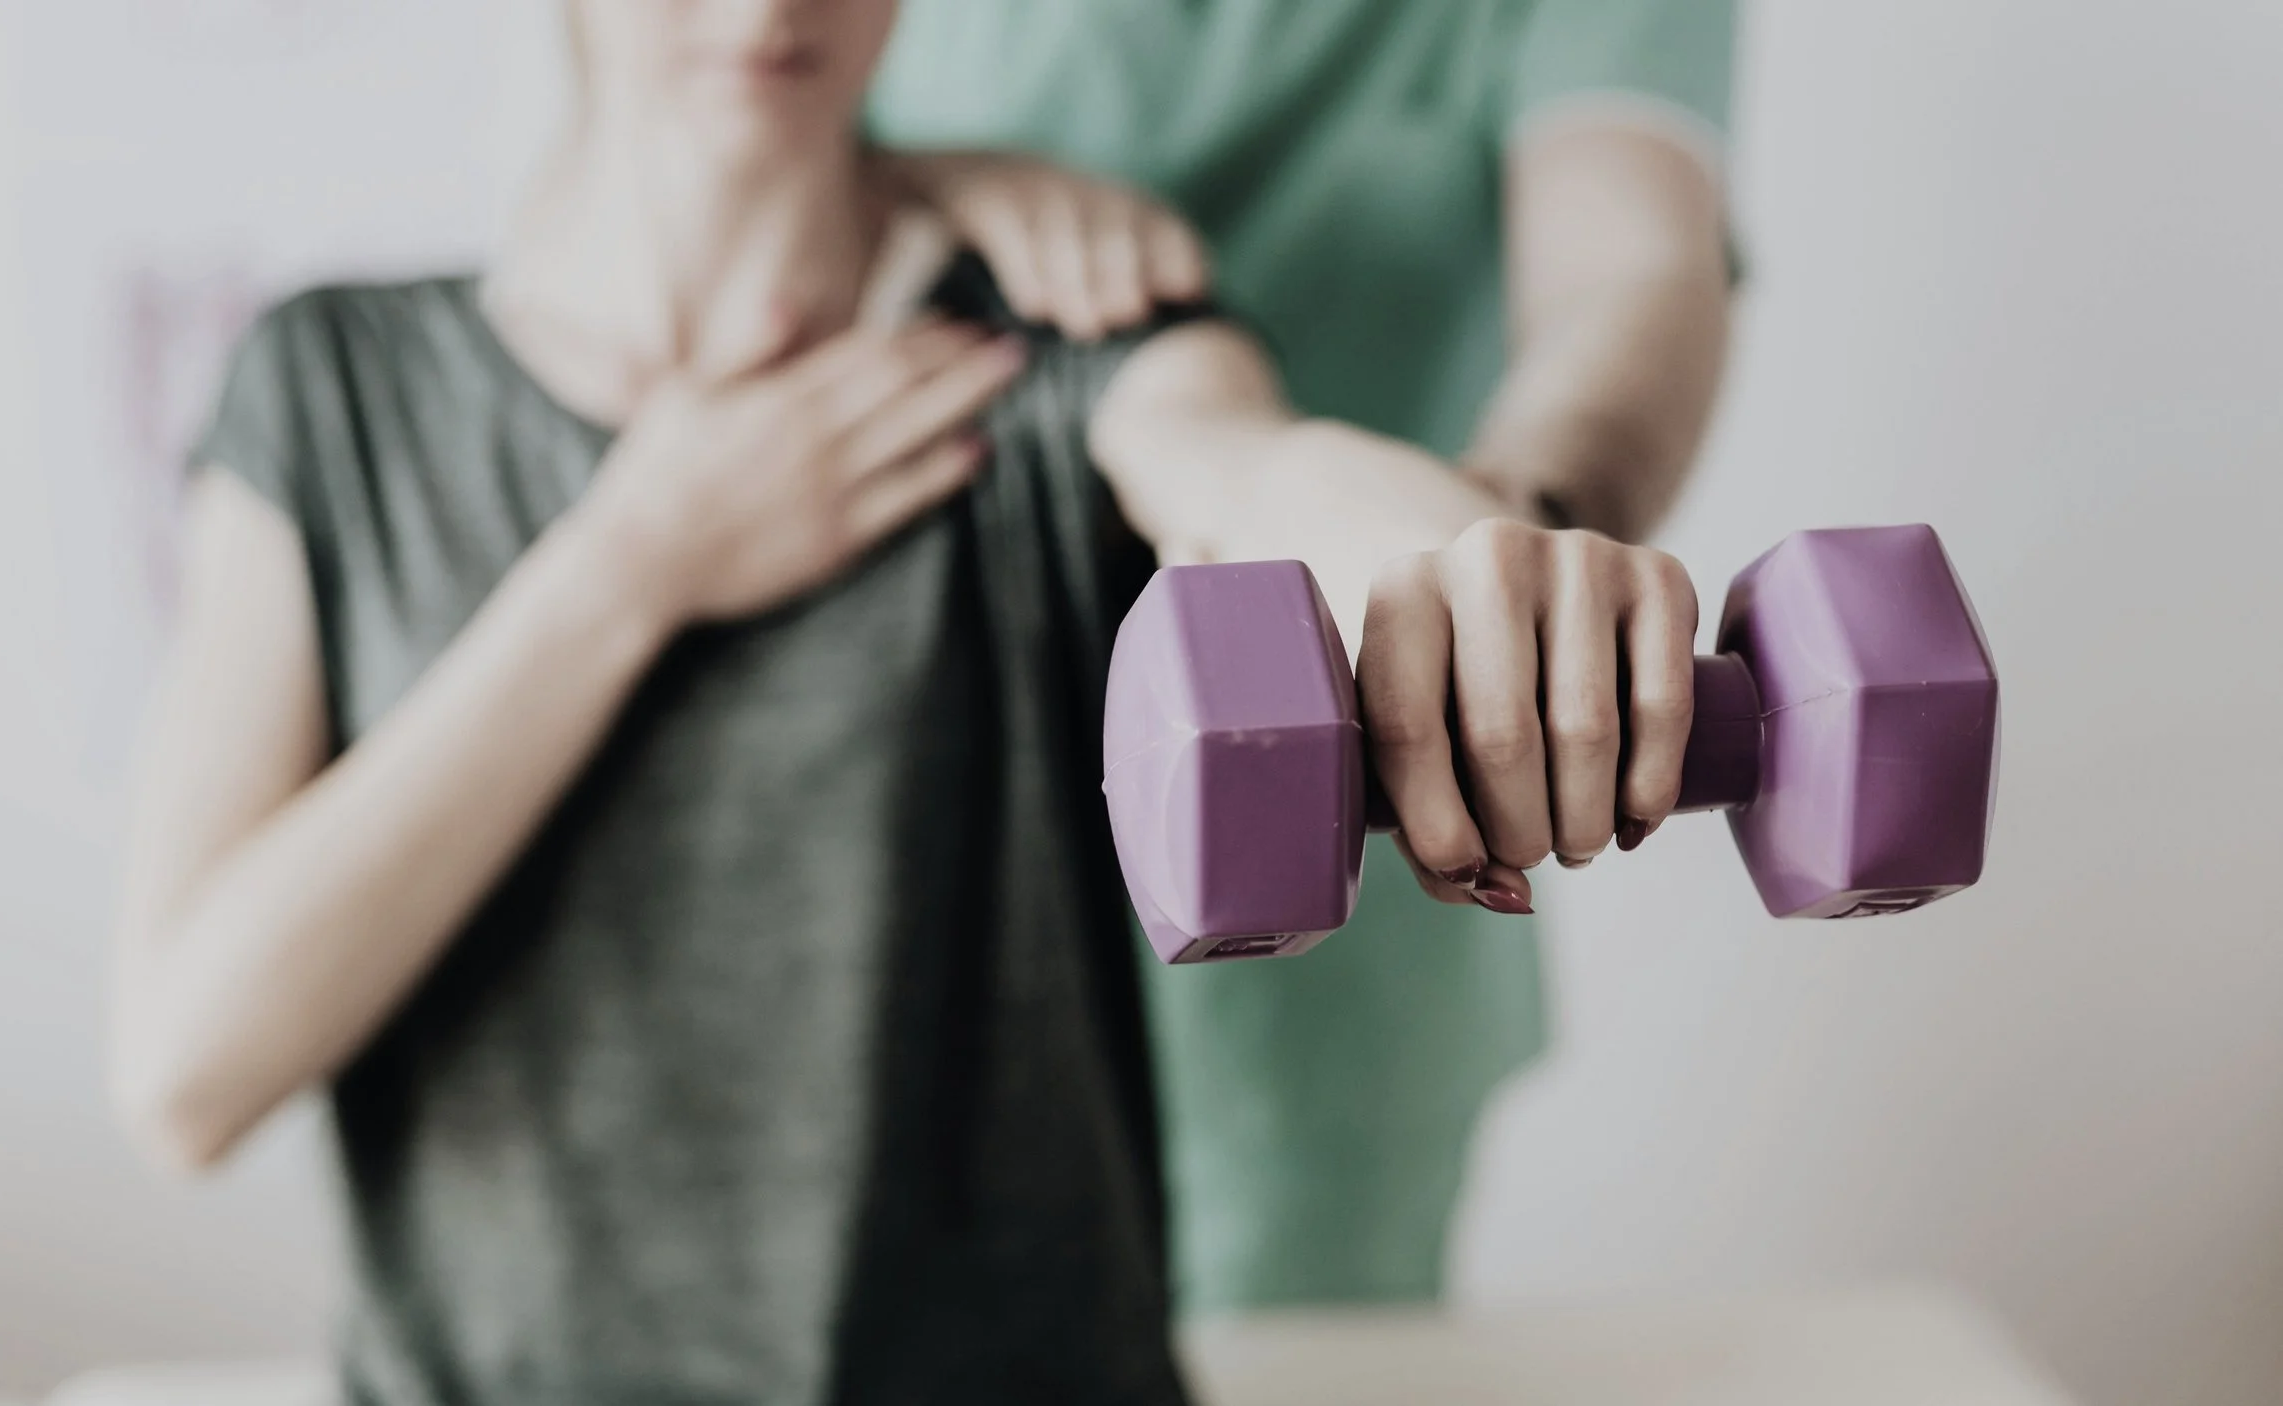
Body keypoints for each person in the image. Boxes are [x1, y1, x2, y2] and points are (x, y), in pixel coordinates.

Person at [108, 0, 1705, 1400]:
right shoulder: (334, 387)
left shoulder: (1059, 351)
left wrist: (1477, 558)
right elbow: (187, 1070)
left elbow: (1253, 469)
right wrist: (630, 569)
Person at [868, 0, 1739, 1310]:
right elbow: (671, 160)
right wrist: (916, 187)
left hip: (1351, 899)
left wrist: (1510, 543)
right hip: (899, 855)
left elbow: (1635, 268)